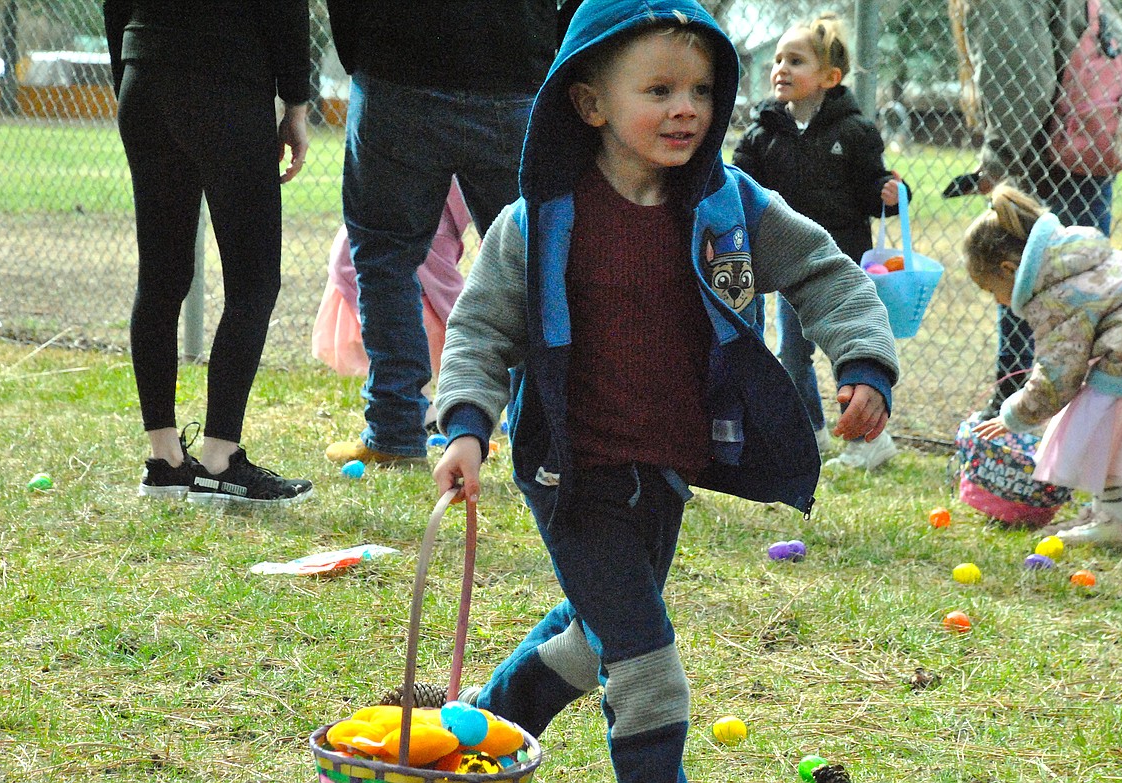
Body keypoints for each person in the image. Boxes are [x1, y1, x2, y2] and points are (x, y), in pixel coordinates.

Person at [431, 1, 899, 779]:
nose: (686, 108)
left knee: (597, 636)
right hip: (574, 477)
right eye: (658, 91)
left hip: (667, 471)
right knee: (649, 669)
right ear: (589, 103)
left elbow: (825, 271)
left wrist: (863, 361)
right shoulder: (539, 222)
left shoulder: (729, 207)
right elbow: (481, 333)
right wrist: (467, 428)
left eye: (702, 91)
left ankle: (486, 723)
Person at [322, 0, 557, 468]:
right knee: (539, 261)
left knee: (385, 259)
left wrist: (362, 56)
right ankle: (550, 433)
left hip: (397, 66)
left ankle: (392, 429)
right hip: (512, 69)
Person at [104, 0, 314, 505]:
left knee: (160, 277)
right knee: (254, 280)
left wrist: (132, 71)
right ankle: (220, 459)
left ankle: (165, 460)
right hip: (227, 80)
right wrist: (297, 104)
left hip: (145, 71)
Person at [948, 0, 1122, 416]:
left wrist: (997, 163)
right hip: (1087, 158)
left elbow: (1021, 84)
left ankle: (1018, 414)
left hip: (1046, 165)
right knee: (1088, 303)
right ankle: (1069, 416)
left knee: (1037, 300)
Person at [733, 12, 906, 471]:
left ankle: (870, 441)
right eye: (777, 60)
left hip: (839, 266)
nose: (781, 69)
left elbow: (874, 189)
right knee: (792, 350)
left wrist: (888, 192)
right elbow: (740, 187)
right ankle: (811, 432)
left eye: (796, 61)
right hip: (787, 264)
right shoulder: (763, 133)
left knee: (847, 350)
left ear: (830, 77)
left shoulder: (854, 132)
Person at [966, 184, 1122, 547]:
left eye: (991, 290)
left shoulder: (1055, 293)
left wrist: (1013, 414)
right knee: (1099, 413)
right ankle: (1107, 509)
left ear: (1009, 269)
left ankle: (1117, 520)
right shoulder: (1074, 258)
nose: (997, 300)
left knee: (1089, 420)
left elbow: (1058, 376)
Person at [312, 177, 472, 431]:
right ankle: (416, 406)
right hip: (382, 241)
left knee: (421, 321)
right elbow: (453, 306)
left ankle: (423, 403)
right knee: (415, 322)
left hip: (402, 228)